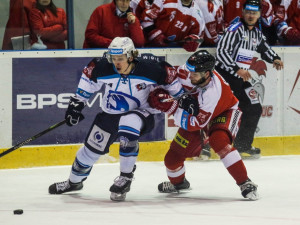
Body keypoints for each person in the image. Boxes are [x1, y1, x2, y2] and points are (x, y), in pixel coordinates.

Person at [48, 37, 183, 201]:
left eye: (120, 59)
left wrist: (179, 98)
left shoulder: (150, 69)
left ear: (131, 56)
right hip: (110, 114)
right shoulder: (102, 68)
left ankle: (125, 177)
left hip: (141, 113)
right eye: (113, 58)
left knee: (128, 122)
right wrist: (76, 105)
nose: (116, 63)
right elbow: (88, 82)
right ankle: (73, 182)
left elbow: (171, 79)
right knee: (89, 152)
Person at [148, 50, 259, 200]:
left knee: (218, 141)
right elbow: (169, 85)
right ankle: (179, 184)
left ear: (207, 74)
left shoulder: (214, 91)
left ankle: (245, 182)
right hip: (198, 113)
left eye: (195, 73)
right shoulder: (186, 72)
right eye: (189, 70)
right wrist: (160, 92)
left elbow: (197, 123)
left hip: (224, 112)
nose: (189, 75)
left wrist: (173, 108)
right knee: (172, 159)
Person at [215, 0, 284, 159]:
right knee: (221, 110)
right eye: (248, 12)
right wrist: (236, 69)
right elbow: (222, 52)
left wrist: (275, 59)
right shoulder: (234, 30)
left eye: (254, 12)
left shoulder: (257, 34)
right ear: (243, 13)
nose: (251, 15)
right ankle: (206, 144)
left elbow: (264, 49)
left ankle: (242, 145)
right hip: (225, 76)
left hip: (240, 78)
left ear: (259, 15)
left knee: (254, 107)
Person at [140, 0, 205, 52]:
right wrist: (155, 35)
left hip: (176, 52)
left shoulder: (198, 15)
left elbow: (199, 37)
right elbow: (146, 19)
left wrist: (194, 42)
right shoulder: (164, 1)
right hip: (150, 47)